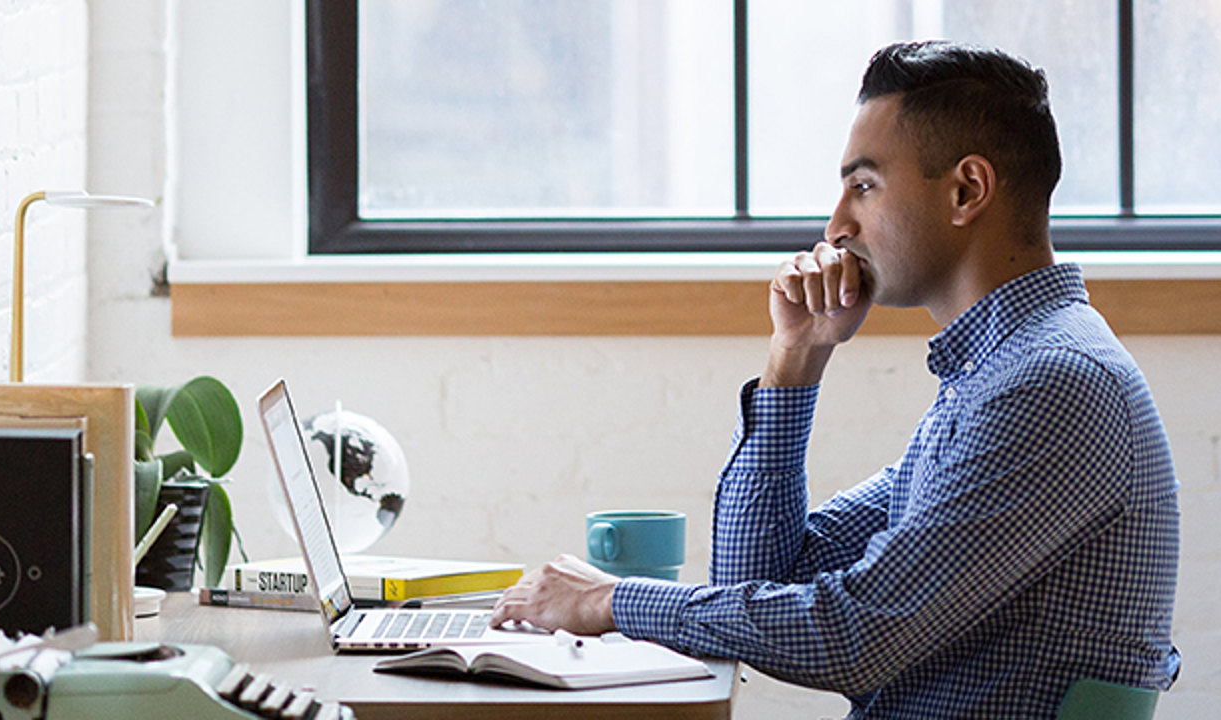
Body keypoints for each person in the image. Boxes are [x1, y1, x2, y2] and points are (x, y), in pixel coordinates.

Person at [491, 40, 1180, 717]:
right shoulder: (992, 377)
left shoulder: (1051, 386)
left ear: (967, 190)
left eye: (864, 185)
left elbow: (857, 636)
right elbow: (757, 581)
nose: (836, 225)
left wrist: (607, 602)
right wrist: (796, 356)